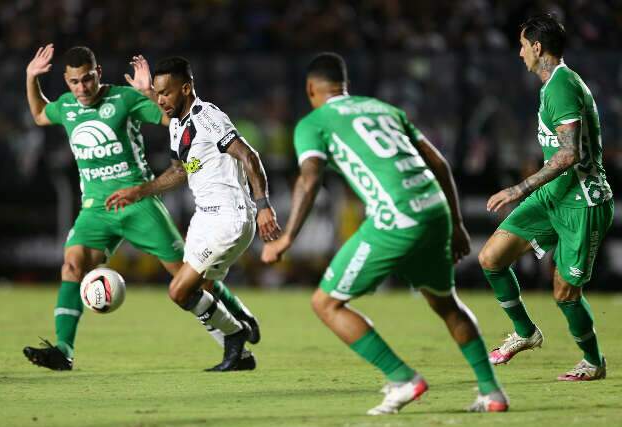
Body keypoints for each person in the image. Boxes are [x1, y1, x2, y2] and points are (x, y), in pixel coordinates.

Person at [261, 52, 508, 415]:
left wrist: (287, 239)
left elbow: (310, 178)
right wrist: (455, 223)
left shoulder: (313, 123)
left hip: (397, 215)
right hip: (435, 210)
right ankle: (492, 393)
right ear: (343, 85)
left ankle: (403, 378)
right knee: (445, 303)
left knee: (325, 303)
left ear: (310, 88)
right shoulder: (382, 109)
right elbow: (438, 162)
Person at [22, 45, 260, 371]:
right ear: (66, 81)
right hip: (96, 208)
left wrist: (148, 92)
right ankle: (63, 351)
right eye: (74, 82)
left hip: (139, 202)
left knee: (189, 280)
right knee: (73, 266)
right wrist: (31, 77)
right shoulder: (66, 107)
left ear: (98, 74)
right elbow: (38, 114)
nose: (82, 88)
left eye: (87, 79)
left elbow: (170, 117)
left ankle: (237, 317)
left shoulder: (123, 98)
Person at [106, 55, 280, 371]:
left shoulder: (208, 117)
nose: (160, 100)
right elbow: (180, 171)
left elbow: (248, 155)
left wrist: (264, 205)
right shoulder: (178, 124)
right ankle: (240, 334)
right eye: (157, 93)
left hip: (229, 216)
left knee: (178, 290)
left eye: (166, 93)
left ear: (186, 88)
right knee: (202, 292)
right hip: (205, 216)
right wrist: (139, 191)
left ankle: (236, 333)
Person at [479, 14, 613, 381]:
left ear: (537, 47)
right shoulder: (552, 85)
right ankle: (525, 333)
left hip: (582, 201)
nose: (520, 53)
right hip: (554, 196)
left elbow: (569, 154)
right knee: (491, 258)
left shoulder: (562, 86)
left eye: (523, 46)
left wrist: (518, 189)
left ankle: (593, 362)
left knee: (565, 293)